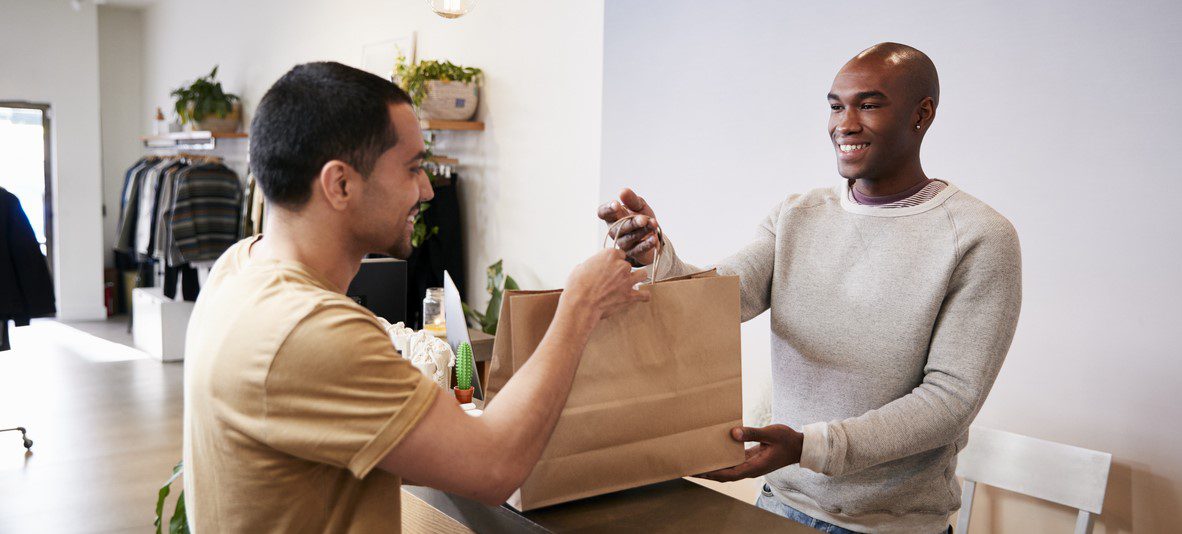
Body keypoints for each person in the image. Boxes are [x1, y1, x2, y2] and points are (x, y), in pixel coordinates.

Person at [182, 62, 650, 532]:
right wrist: (580, 307)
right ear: (340, 184)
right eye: (412, 168)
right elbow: (493, 467)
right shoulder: (311, 331)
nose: (427, 188)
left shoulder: (240, 266)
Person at [599, 43, 1022, 533]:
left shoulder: (980, 237)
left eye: (868, 104)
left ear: (921, 114)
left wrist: (808, 446)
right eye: (836, 105)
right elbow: (719, 302)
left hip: (887, 528)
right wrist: (655, 256)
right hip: (778, 505)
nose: (844, 123)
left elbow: (949, 402)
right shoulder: (797, 215)